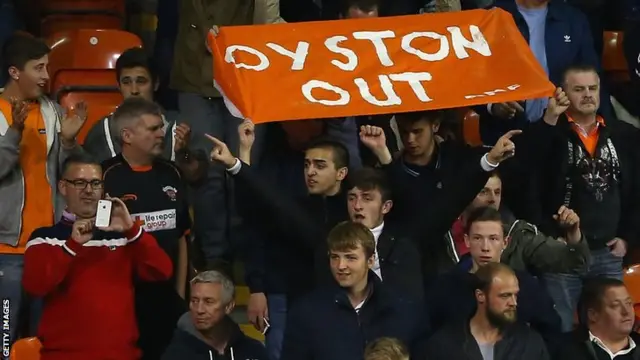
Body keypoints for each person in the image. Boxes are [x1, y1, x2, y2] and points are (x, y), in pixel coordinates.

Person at [520, 64, 640, 332]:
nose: (587, 95)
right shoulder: (550, 133)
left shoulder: (624, 135)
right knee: (561, 327)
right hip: (561, 253)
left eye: (592, 88)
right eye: (579, 89)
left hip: (608, 252)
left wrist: (628, 237)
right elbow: (525, 171)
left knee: (615, 328)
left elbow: (636, 192)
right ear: (563, 93)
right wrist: (548, 121)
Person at [21, 153, 173, 360]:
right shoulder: (45, 238)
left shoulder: (123, 236)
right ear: (63, 187)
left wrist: (132, 230)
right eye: (80, 183)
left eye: (95, 183)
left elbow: (162, 272)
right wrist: (72, 245)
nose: (89, 191)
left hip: (122, 355)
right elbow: (36, 285)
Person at [171, 0, 284, 276]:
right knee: (205, 173)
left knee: (242, 172)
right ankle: (215, 258)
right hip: (194, 77)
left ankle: (247, 254)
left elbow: (268, 19)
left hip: (244, 74)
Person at [0, 33, 86, 349]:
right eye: (38, 68)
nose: (47, 76)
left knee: (46, 345)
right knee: (5, 346)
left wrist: (68, 142)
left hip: (49, 246)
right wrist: (13, 134)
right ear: (14, 72)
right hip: (5, 253)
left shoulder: (54, 112)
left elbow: (74, 175)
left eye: (47, 67)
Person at [102, 97, 192, 360]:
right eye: (152, 129)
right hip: (123, 301)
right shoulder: (106, 176)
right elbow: (98, 242)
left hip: (167, 300)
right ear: (127, 135)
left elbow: (182, 238)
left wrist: (179, 295)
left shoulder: (172, 173)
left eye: (161, 127)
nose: (161, 133)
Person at [280, 222, 425, 360]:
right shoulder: (306, 312)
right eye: (334, 257)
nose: (341, 266)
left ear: (370, 261)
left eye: (350, 257)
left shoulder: (403, 310)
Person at [477, 0, 613, 145]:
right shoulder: (486, 19)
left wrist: (607, 130)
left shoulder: (574, 19)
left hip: (565, 138)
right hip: (505, 137)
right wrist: (492, 105)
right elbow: (469, 81)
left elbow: (594, 80)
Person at [428, 207, 561, 349]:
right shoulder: (445, 287)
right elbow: (431, 338)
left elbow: (551, 334)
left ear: (505, 242)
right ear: (467, 241)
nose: (485, 247)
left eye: (493, 239)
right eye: (478, 238)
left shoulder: (527, 286)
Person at [449, 171, 590, 274]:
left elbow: (575, 262)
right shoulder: (443, 234)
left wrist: (573, 234)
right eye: (483, 192)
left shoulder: (518, 234)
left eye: (497, 192)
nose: (492, 199)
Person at [425, 263, 550, 360]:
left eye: (515, 295)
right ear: (481, 296)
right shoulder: (444, 346)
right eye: (505, 295)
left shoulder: (530, 343)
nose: (513, 302)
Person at [162, 271, 268, 360]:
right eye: (194, 301)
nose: (199, 310)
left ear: (229, 306)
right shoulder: (176, 354)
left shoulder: (253, 351)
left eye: (208, 302)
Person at [556, 278, 640, 360]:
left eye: (629, 303)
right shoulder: (566, 349)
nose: (626, 312)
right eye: (615, 305)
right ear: (593, 315)